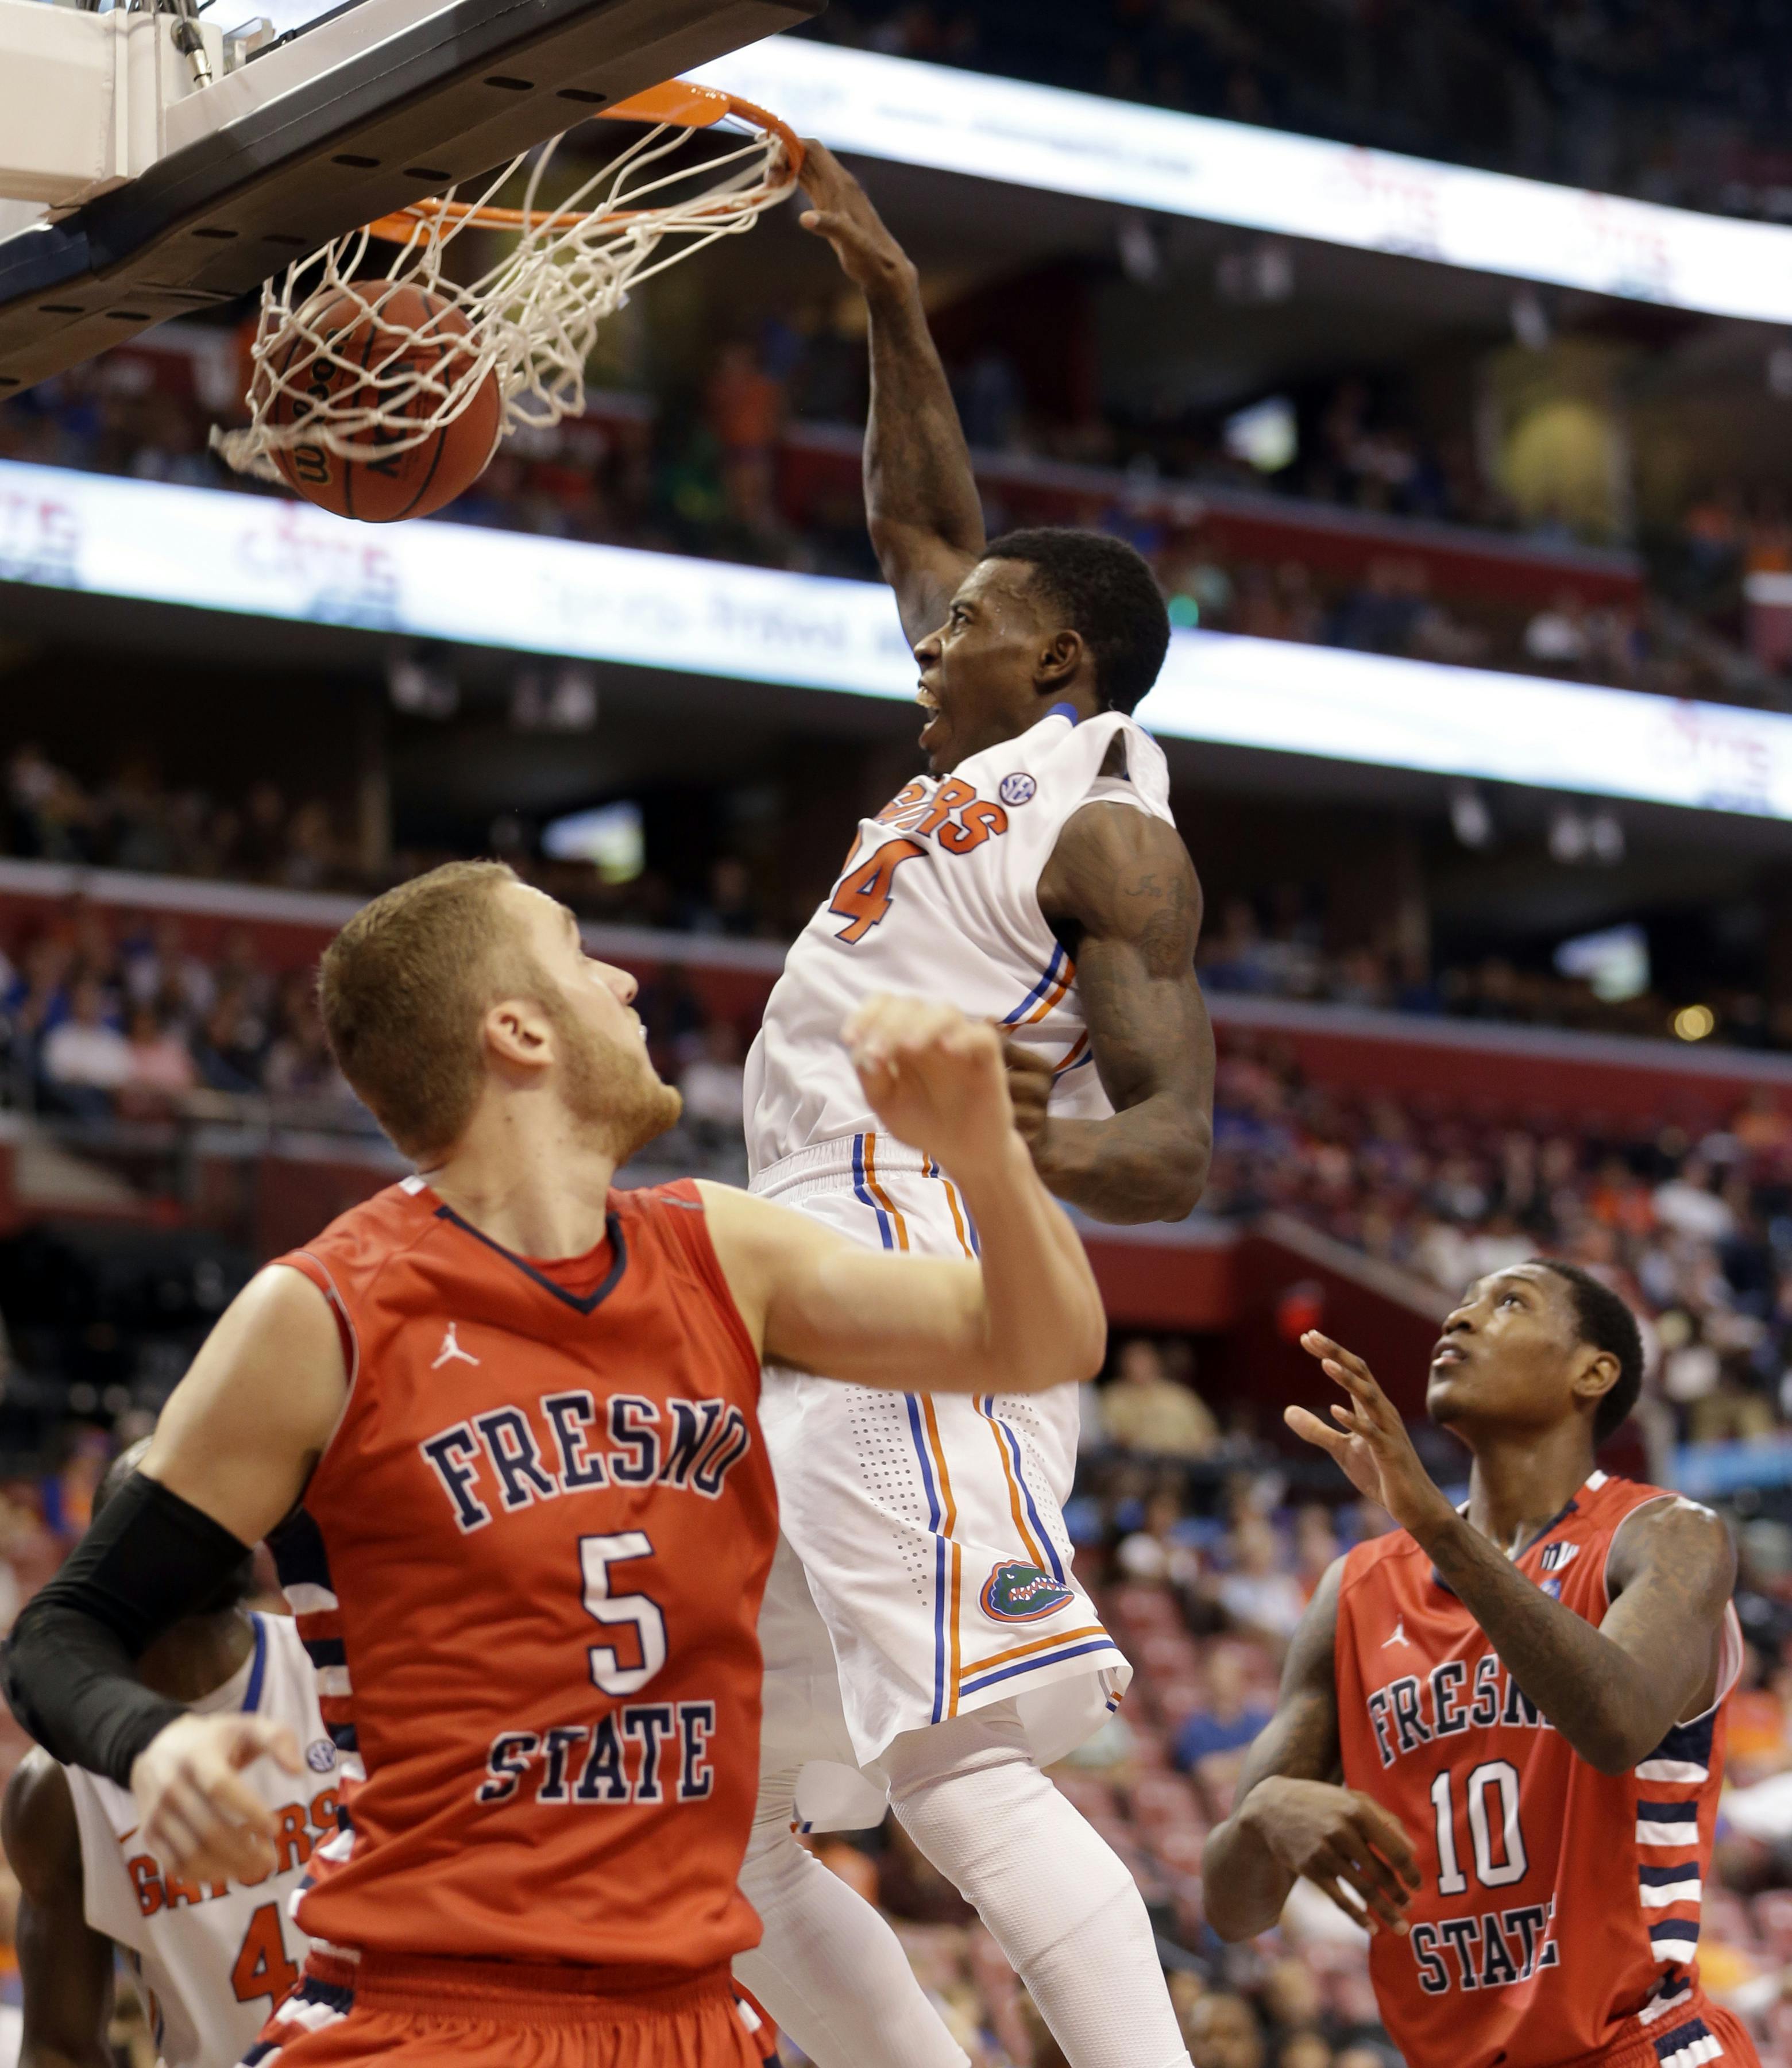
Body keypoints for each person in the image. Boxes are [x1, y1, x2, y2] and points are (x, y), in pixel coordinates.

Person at [0, 859, 1105, 2068]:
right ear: (518, 1029)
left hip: (688, 2010)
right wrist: (154, 1744)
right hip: (427, 2009)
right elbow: (61, 1631)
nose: (627, 979)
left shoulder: (719, 1248)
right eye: (583, 951)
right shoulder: (321, 1315)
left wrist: (989, 1158)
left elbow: (1040, 1338)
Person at [729, 145, 1214, 2068]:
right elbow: (926, 524)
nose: (931, 644)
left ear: (1063, 661)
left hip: (912, 1241)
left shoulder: (1105, 819)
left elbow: (1173, 1150)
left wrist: (991, 1148)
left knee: (955, 1758)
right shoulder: (983, 761)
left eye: (973, 632)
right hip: (812, 1255)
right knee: (727, 1820)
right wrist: (898, 307)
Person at [1203, 1260, 1758, 2068]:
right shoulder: (1354, 1593)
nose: (1459, 1321)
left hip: (1638, 2047)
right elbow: (1234, 1907)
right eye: (1459, 1305)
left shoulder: (1666, 1536)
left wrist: (1434, 1526)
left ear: (1592, 1372)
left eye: (1507, 1303)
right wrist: (1262, 1816)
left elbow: (1618, 1723)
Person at [3, 1438, 333, 2068]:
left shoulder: (335, 1673)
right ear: (110, 1553)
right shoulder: (57, 1787)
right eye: (172, 1514)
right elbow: (59, 2048)